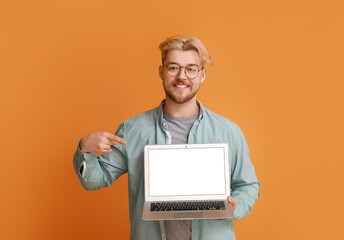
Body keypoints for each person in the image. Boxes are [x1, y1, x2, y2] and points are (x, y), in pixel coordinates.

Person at [73, 35, 260, 240]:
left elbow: (248, 185)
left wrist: (236, 206)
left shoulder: (228, 131)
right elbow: (95, 181)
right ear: (161, 72)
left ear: (202, 74)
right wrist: (86, 149)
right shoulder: (133, 129)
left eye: (191, 69)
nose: (182, 76)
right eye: (173, 68)